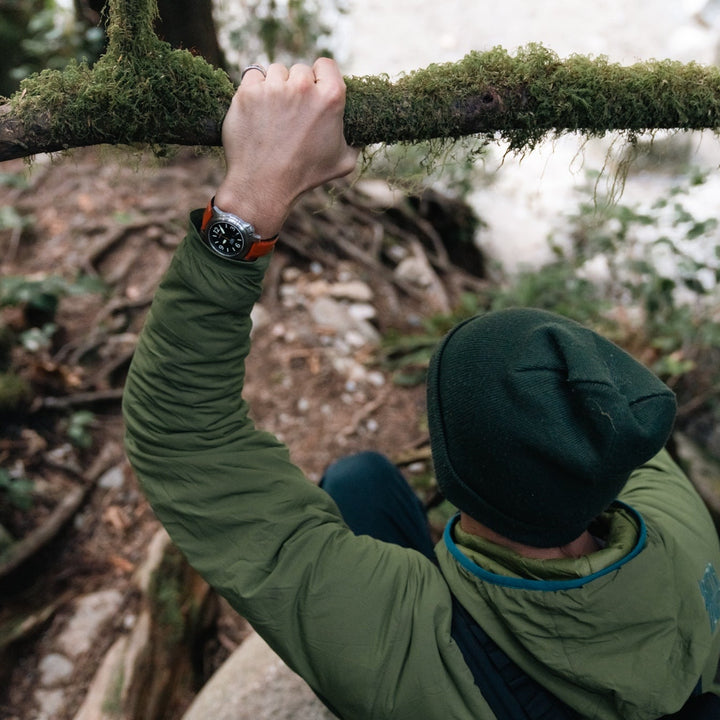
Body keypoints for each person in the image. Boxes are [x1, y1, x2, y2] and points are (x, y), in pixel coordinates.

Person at [122, 58, 720, 719]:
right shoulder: (686, 533)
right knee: (361, 482)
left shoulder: (402, 651)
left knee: (356, 485)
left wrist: (256, 190)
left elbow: (181, 438)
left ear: (451, 468)